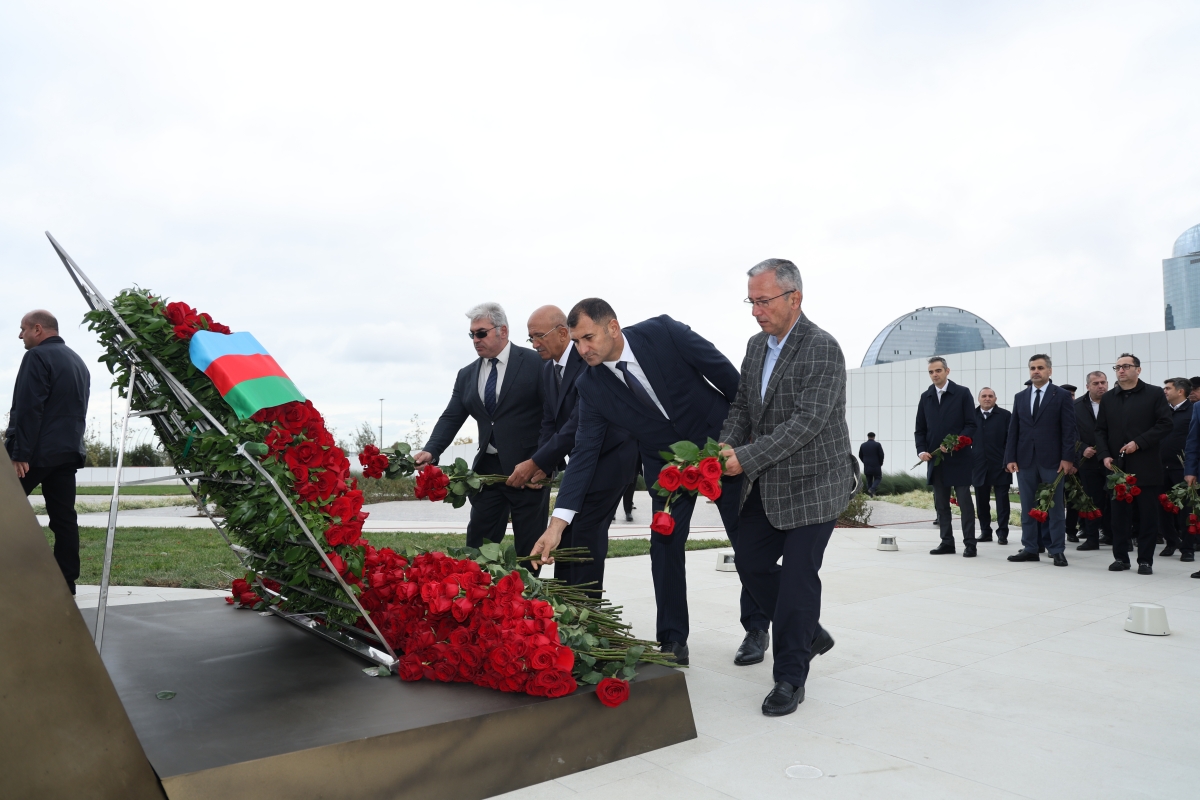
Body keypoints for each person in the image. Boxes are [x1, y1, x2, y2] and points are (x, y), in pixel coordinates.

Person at [528, 297, 766, 667]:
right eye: (576, 341)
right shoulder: (591, 385)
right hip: (666, 466)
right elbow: (584, 453)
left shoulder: (664, 332)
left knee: (746, 538)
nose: (582, 349)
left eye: (588, 338)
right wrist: (557, 524)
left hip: (720, 446)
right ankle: (672, 639)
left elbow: (729, 380)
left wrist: (748, 441)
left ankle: (756, 627)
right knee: (664, 546)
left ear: (613, 327)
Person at [714, 258, 852, 716]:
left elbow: (807, 423)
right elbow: (741, 408)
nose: (756, 311)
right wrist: (725, 446)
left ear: (795, 298)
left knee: (796, 582)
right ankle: (808, 633)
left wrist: (746, 457)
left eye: (763, 301)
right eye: (751, 302)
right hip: (769, 484)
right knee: (750, 562)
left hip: (816, 484)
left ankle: (790, 678)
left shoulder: (822, 348)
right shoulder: (756, 347)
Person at [505, 305, 637, 592]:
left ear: (563, 333)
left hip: (610, 459)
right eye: (530, 338)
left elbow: (577, 423)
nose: (534, 344)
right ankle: (568, 604)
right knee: (567, 533)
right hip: (582, 460)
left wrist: (536, 462)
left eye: (539, 336)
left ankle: (584, 606)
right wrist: (543, 465)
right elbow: (549, 422)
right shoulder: (548, 370)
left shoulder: (588, 361)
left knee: (585, 533)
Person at [415, 303, 548, 558]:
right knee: (477, 550)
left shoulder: (536, 363)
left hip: (528, 471)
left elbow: (553, 416)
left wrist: (544, 463)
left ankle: (526, 585)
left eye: (481, 333)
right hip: (487, 472)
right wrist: (431, 450)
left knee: (528, 553)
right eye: (472, 334)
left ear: (503, 331)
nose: (475, 340)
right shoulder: (466, 374)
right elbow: (451, 416)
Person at [5, 310, 90, 595]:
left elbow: (29, 407)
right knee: (64, 518)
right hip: (67, 452)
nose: (20, 335)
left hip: (34, 453)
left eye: (23, 329)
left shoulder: (37, 357)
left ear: (38, 329)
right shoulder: (78, 361)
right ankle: (66, 583)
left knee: (4, 508)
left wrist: (19, 453)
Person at [1096, 353, 1172, 574]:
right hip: (1116, 468)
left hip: (1146, 466)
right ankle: (1121, 558)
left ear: (1138, 370)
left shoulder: (1154, 393)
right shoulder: (1109, 398)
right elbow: (1100, 430)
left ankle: (1145, 561)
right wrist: (1104, 455)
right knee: (1118, 517)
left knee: (1147, 517)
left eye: (1126, 366)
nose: (1121, 370)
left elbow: (1165, 424)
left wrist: (1139, 443)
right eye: (1117, 367)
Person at [1004, 354, 1076, 567]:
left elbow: (1069, 430)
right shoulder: (1020, 397)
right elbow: (1014, 429)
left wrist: (1067, 458)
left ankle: (1057, 550)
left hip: (1053, 461)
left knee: (1054, 508)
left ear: (1049, 371)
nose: (1036, 371)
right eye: (1033, 368)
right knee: (1028, 506)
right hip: (1025, 460)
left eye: (1040, 368)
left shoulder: (1061, 395)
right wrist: (1010, 457)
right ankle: (1030, 548)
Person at [914, 357, 978, 556]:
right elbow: (920, 429)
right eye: (931, 372)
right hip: (936, 461)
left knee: (965, 503)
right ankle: (947, 542)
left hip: (959, 459)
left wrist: (955, 443)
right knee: (941, 504)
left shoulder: (962, 393)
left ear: (947, 371)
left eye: (938, 370)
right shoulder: (926, 397)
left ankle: (970, 544)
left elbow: (971, 425)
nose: (934, 375)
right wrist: (922, 451)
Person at [1074, 371, 1112, 550]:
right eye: (1096, 383)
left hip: (1112, 460)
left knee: (1115, 499)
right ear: (1088, 386)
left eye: (1103, 382)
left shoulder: (1115, 402)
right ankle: (1092, 538)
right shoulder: (1076, 406)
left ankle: (1116, 537)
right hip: (1088, 462)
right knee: (1091, 500)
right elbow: (1069, 433)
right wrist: (1082, 448)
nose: (1101, 386)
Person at [1157, 378, 1192, 561]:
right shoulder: (1162, 411)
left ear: (1180, 391)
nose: (1165, 391)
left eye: (1168, 388)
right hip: (1161, 467)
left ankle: (1187, 548)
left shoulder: (1192, 411)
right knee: (1162, 507)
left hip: (1182, 468)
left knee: (1186, 510)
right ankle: (1171, 542)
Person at [972, 388, 1012, 544]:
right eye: (984, 396)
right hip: (978, 465)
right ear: (978, 399)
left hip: (1001, 465)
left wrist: (1009, 460)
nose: (987, 398)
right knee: (981, 502)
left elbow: (1010, 440)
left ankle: (1003, 533)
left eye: (990, 396)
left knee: (1002, 502)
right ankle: (985, 532)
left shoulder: (1005, 416)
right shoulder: (971, 416)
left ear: (995, 398)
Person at [1058, 384, 1080, 542]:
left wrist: (1075, 463)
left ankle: (1071, 530)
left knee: (1073, 499)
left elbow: (1077, 439)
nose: (1070, 398)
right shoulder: (1054, 412)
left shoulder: (1078, 411)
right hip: (1055, 465)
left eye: (1072, 395)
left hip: (1074, 465)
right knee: (1056, 500)